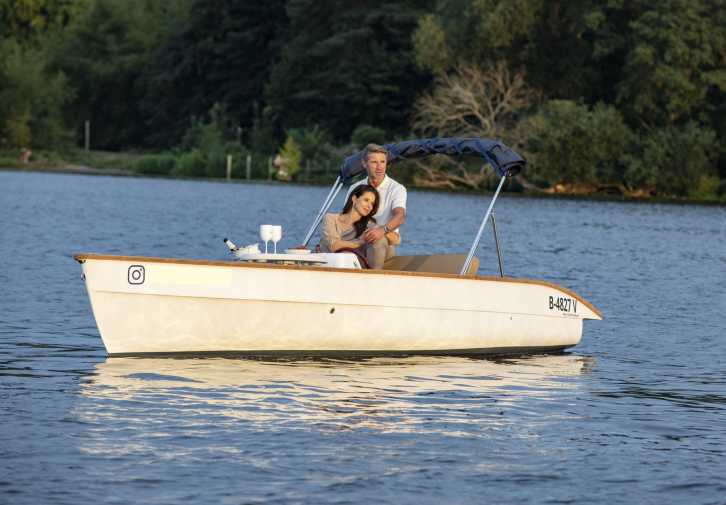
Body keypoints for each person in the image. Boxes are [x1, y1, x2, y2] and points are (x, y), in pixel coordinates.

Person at [346, 143, 407, 263]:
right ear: (364, 163)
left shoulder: (397, 189)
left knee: (376, 241)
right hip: (357, 240)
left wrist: (381, 231)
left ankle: (372, 279)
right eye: (374, 162)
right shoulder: (355, 187)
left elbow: (400, 216)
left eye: (383, 162)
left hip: (384, 242)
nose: (379, 167)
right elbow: (345, 218)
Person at [319, 184, 386, 268]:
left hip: (353, 267)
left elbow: (396, 240)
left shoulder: (369, 225)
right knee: (346, 256)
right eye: (366, 200)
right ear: (354, 199)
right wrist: (360, 242)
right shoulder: (330, 218)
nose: (369, 206)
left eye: (372, 204)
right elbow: (334, 246)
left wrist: (384, 231)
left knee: (380, 240)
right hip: (327, 266)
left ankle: (375, 276)